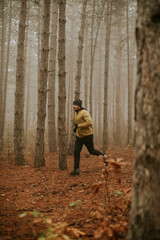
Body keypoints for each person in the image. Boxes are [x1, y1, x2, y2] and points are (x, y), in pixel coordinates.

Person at [70, 99, 107, 175]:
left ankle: (104, 156)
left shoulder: (84, 113)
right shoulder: (76, 113)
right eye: (73, 105)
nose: (73, 106)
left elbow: (90, 123)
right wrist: (76, 128)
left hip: (87, 136)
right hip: (79, 136)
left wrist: (78, 126)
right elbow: (79, 122)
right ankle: (76, 170)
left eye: (75, 105)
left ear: (79, 106)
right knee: (76, 152)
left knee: (92, 151)